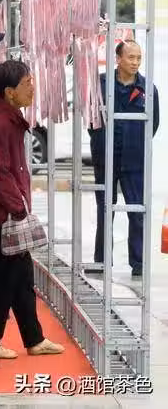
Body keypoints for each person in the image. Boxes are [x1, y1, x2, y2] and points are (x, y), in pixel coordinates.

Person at [0, 60, 65, 359]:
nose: (32, 88)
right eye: (27, 83)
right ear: (9, 91)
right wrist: (18, 207)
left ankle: (34, 338)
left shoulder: (7, 115)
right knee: (2, 278)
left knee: (22, 277)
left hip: (8, 210)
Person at [88, 40, 160, 278]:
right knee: (104, 209)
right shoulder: (100, 85)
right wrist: (100, 140)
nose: (135, 62)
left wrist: (135, 141)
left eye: (139, 58)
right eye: (131, 57)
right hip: (105, 157)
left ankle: (138, 262)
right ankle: (101, 260)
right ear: (118, 58)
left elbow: (153, 124)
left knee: (137, 211)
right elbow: (91, 118)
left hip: (134, 158)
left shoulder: (148, 89)